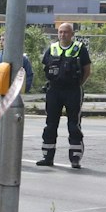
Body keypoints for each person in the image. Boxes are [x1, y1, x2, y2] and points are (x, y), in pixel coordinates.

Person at [36, 20, 91, 168]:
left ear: (72, 34)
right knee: (50, 124)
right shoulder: (52, 48)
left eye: (66, 32)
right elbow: (45, 67)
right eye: (60, 32)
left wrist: (78, 84)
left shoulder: (80, 49)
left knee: (74, 125)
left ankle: (75, 158)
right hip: (54, 90)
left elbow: (87, 70)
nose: (62, 34)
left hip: (73, 90)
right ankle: (47, 157)